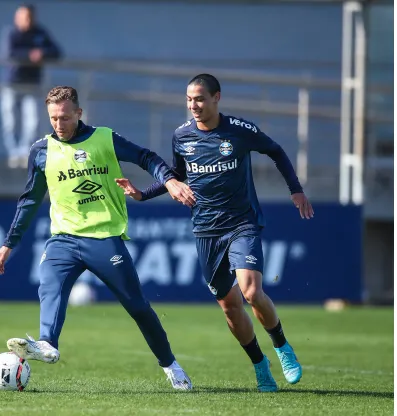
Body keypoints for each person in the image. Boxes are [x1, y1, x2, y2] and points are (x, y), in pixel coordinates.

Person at [115, 74, 314, 393]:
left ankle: (281, 347)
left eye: (199, 99)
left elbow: (275, 150)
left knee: (250, 291)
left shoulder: (239, 131)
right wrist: (142, 194)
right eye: (189, 100)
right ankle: (260, 366)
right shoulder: (181, 136)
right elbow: (178, 175)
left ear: (216, 98)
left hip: (241, 223)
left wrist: (296, 190)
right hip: (205, 230)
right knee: (230, 305)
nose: (193, 105)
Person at [0, 86, 195, 390]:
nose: (59, 124)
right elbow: (30, 200)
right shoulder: (42, 151)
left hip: (103, 237)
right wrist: (9, 243)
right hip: (63, 238)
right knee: (50, 286)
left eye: (64, 117)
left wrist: (170, 179)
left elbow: (145, 156)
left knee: (138, 307)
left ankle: (171, 366)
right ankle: (46, 342)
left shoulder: (104, 139)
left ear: (78, 113)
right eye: (53, 118)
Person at [0, 4, 62, 168]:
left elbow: (56, 51)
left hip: (33, 83)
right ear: (17, 17)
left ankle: (24, 153)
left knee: (32, 121)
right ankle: (14, 154)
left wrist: (42, 53)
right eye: (24, 17)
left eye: (29, 17)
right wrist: (29, 55)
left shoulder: (40, 33)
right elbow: (8, 54)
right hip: (12, 84)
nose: (27, 20)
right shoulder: (11, 34)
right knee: (10, 121)